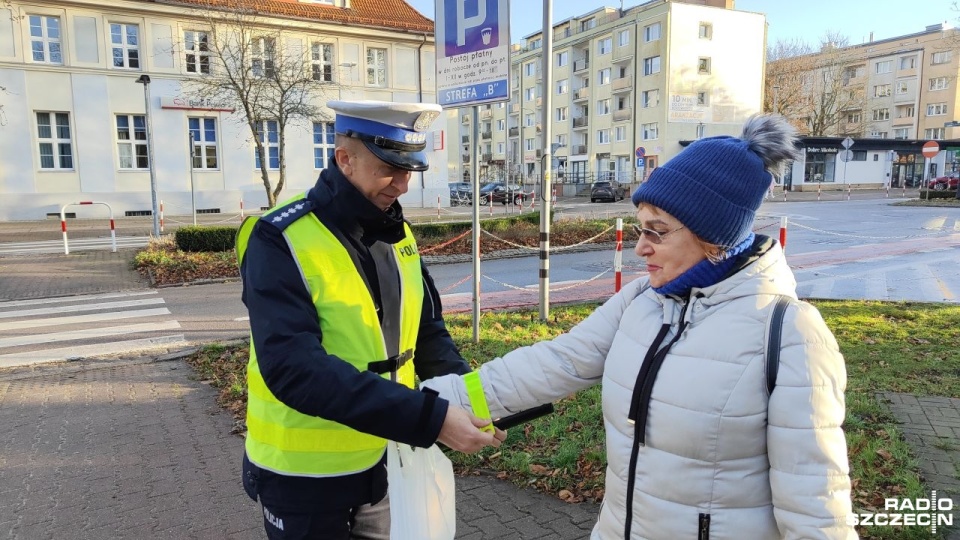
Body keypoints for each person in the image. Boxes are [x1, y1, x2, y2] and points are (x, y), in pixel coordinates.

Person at [424, 114, 856, 539]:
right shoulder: (641, 300)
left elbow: (816, 509)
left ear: (714, 238)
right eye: (640, 228)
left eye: (658, 232)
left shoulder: (790, 334)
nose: (640, 248)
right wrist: (422, 408)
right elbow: (554, 363)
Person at [236, 100, 505, 540]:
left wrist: (473, 400)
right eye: (389, 169)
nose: (402, 184)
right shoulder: (277, 237)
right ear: (345, 159)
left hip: (385, 457)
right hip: (303, 477)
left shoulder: (395, 230)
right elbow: (293, 368)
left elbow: (427, 333)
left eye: (409, 171)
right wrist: (430, 419)